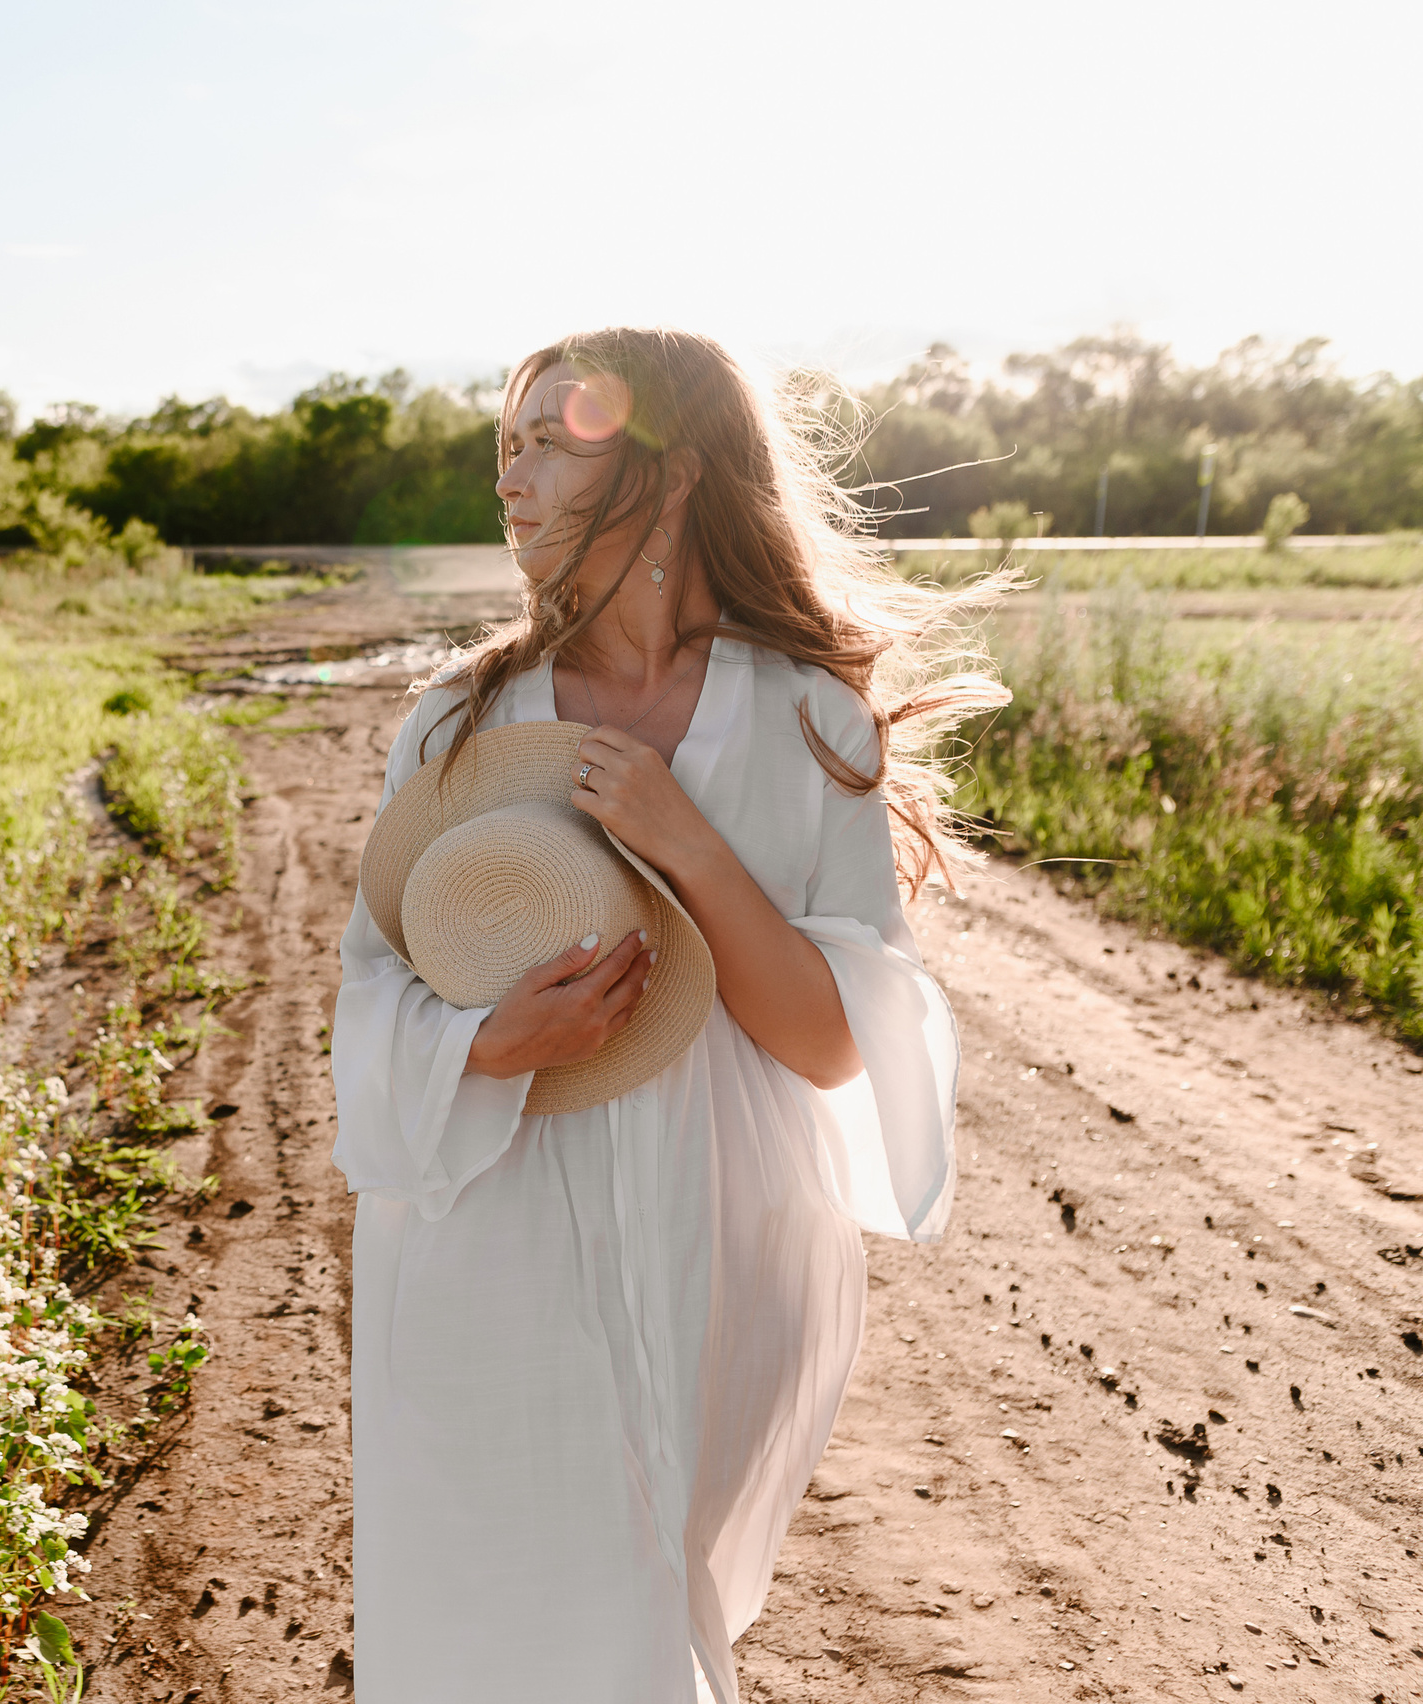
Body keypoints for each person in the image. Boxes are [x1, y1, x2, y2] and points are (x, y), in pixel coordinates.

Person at [331, 327, 1009, 1701]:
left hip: (720, 1229)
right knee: (485, 1612)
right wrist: (491, 1044)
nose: (512, 480)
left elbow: (830, 1044)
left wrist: (685, 844)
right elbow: (367, 992)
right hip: (484, 1216)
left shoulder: (810, 717)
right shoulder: (460, 725)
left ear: (673, 470)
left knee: (646, 1613)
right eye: (504, 448)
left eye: (550, 443)